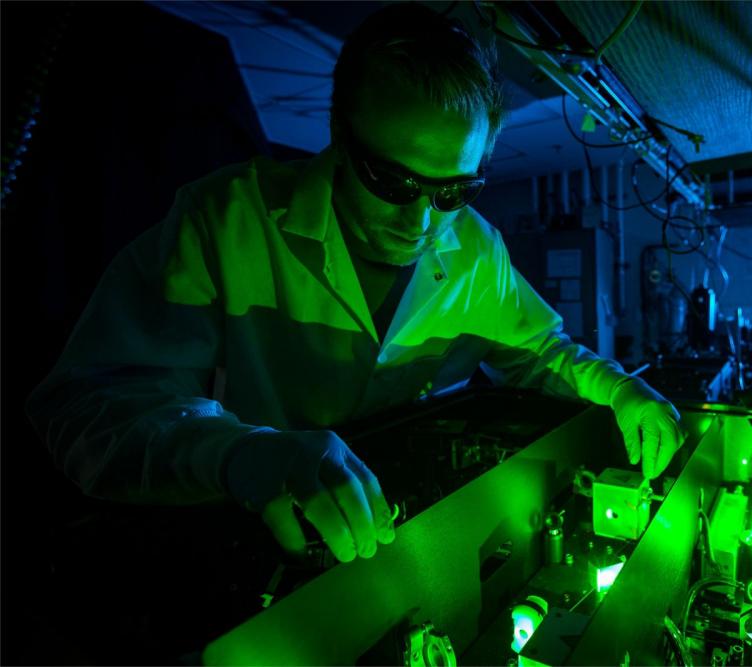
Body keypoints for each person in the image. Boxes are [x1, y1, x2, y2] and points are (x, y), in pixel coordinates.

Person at [27, 3, 682, 566]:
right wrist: (240, 454)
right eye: (392, 182)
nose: (421, 223)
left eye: (453, 190)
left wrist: (620, 390)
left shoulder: (477, 249)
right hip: (265, 547)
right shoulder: (226, 221)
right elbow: (88, 406)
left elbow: (539, 350)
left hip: (416, 538)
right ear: (340, 134)